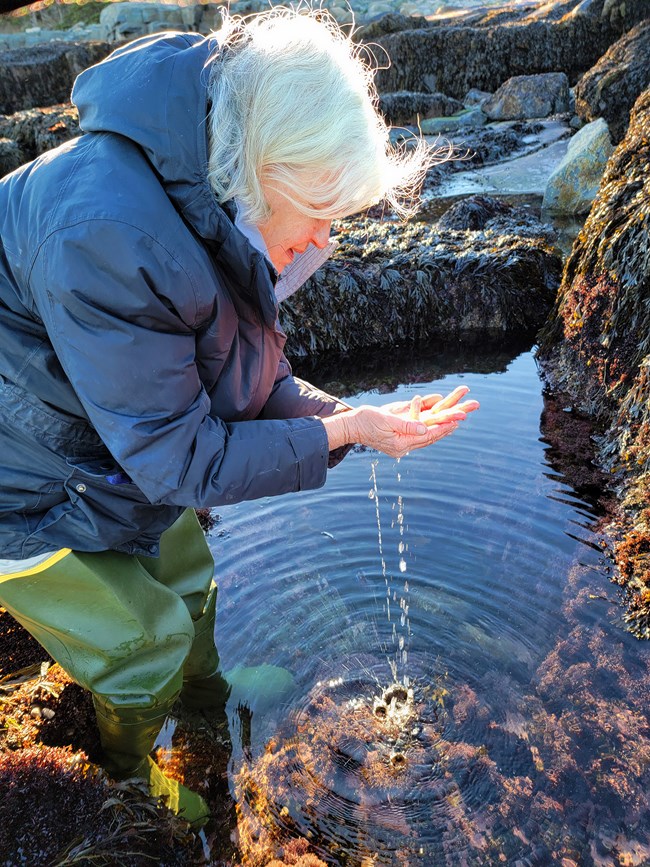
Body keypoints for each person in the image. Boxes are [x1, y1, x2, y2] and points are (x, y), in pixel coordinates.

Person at [0, 8, 478, 823]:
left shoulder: (211, 200)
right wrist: (344, 433)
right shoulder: (110, 235)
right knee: (138, 641)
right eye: (321, 209)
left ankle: (207, 692)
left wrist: (354, 413)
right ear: (270, 169)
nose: (327, 235)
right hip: (24, 481)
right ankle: (122, 779)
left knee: (187, 566)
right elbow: (180, 459)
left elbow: (245, 387)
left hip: (107, 445)